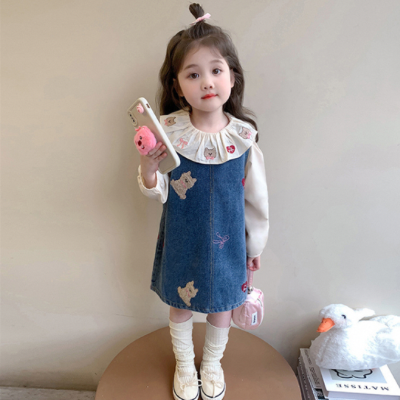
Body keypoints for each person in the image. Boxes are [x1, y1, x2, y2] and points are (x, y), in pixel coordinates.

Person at [137, 4, 269, 400]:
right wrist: (148, 167)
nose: (207, 82)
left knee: (222, 305)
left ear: (232, 76)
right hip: (182, 238)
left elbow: (256, 200)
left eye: (216, 70)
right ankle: (184, 363)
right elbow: (157, 189)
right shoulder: (169, 133)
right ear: (178, 86)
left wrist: (255, 246)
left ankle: (211, 363)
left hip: (229, 245)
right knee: (180, 304)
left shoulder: (245, 138)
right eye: (193, 74)